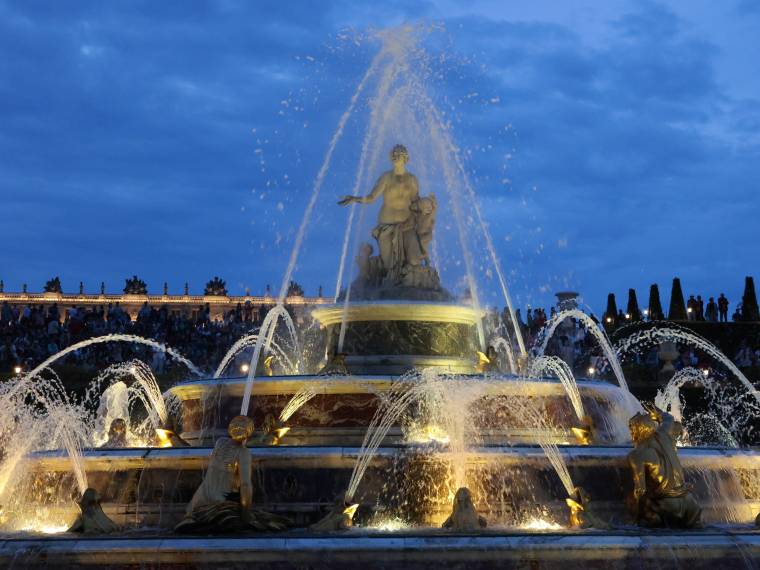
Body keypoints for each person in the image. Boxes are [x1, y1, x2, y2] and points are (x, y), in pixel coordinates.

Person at [627, 404, 701, 528]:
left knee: (645, 512)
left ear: (635, 430)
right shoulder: (664, 435)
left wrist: (636, 520)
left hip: (669, 506)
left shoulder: (638, 454)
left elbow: (640, 491)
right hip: (691, 503)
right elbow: (668, 419)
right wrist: (659, 414)